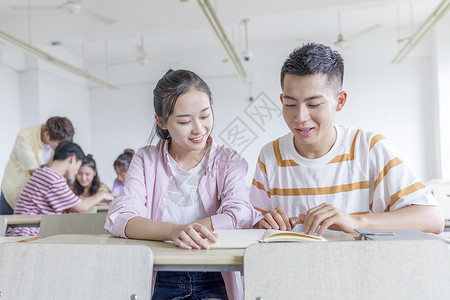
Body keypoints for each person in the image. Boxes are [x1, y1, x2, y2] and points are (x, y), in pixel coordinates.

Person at [250, 43, 444, 236]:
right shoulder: (270, 155)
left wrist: (353, 221)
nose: (300, 117)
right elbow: (253, 228)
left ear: (340, 101)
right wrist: (264, 224)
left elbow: (433, 219)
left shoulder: (369, 148)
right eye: (291, 104)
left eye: (314, 104)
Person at [105, 69, 260, 300]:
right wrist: (173, 231)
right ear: (161, 122)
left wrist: (187, 230)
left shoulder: (228, 160)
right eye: (185, 121)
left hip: (215, 274)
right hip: (158, 274)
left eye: (205, 116)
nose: (198, 129)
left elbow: (240, 215)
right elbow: (120, 218)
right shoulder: (146, 159)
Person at [7, 141, 114, 237]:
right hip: (28, 234)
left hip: (22, 231)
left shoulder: (43, 171)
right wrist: (102, 195)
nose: (76, 173)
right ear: (72, 159)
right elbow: (81, 207)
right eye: (78, 167)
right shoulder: (53, 178)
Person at [0, 116, 75, 214]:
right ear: (47, 134)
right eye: (59, 144)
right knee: (8, 228)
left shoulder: (58, 136)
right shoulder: (25, 137)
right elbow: (36, 174)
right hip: (12, 196)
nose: (62, 147)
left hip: (35, 201)